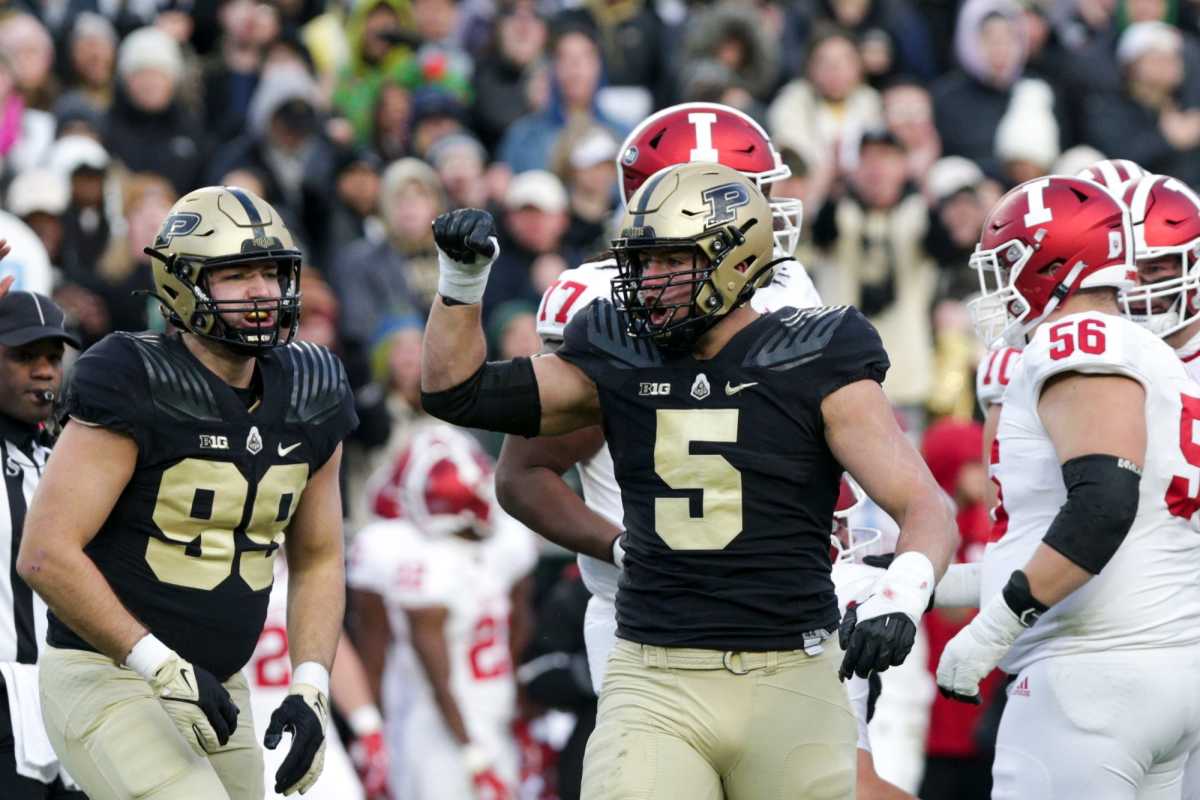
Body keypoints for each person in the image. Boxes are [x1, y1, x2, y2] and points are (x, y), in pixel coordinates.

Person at [420, 161, 958, 799]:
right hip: (655, 672)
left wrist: (903, 592)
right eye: (642, 262)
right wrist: (460, 282)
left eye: (669, 262)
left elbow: (923, 504)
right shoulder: (618, 351)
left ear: (733, 258)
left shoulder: (817, 353)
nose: (646, 282)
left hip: (793, 670)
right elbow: (458, 392)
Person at [15, 186, 359, 800]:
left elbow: (318, 555)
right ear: (182, 283)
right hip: (110, 672)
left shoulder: (313, 387)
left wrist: (311, 687)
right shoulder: (131, 376)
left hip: (219, 683)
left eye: (271, 272)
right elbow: (45, 553)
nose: (260, 291)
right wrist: (158, 663)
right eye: (236, 275)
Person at [936, 174, 1200, 798]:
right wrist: (910, 581)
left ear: (1051, 261)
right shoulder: (1157, 358)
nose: (999, 284)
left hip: (1092, 680)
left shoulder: (1078, 339)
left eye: (1007, 262)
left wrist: (990, 630)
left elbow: (1103, 503)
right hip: (1163, 668)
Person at [348, 424, 537, 800]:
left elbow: (520, 628)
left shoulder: (428, 558)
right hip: (438, 728)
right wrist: (474, 756)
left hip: (486, 714)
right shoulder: (424, 563)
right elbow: (430, 671)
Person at [1116, 171, 1200, 800]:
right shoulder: (1103, 356)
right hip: (1127, 622)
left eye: (1161, 265)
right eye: (1134, 267)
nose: (1143, 285)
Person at [0, 272, 87, 799]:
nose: (43, 371)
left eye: (53, 356)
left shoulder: (69, 457)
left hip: (75, 700)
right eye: (24, 355)